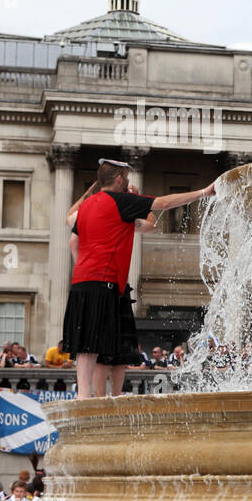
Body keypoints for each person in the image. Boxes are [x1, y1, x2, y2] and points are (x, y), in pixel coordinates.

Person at [63, 159, 214, 399]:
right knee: (100, 345)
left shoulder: (88, 206)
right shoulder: (122, 201)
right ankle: (101, 396)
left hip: (81, 282)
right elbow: (163, 203)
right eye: (127, 178)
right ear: (120, 179)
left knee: (85, 345)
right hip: (105, 281)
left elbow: (71, 225)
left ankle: (83, 396)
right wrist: (204, 192)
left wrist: (91, 190)